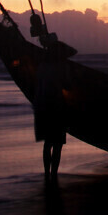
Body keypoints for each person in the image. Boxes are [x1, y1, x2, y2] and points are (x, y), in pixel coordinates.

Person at [34, 39, 76, 180]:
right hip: (57, 106)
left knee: (48, 143)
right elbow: (68, 85)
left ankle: (47, 173)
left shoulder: (42, 66)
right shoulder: (61, 66)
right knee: (57, 144)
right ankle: (53, 174)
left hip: (41, 107)